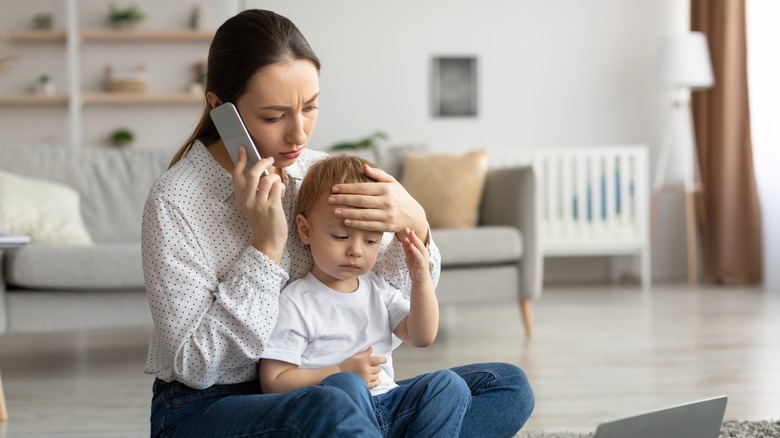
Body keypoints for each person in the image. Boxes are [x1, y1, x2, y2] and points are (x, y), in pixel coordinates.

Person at [142, 8, 534, 438]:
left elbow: (389, 301)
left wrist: (416, 223)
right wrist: (266, 248)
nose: (299, 135)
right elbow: (196, 365)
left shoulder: (322, 174)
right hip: (209, 405)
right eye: (274, 117)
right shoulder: (176, 200)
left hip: (343, 389)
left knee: (504, 385)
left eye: (310, 108)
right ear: (221, 110)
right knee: (330, 404)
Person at [259, 155, 470, 436]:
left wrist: (421, 282)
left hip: (391, 403)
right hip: (338, 411)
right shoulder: (296, 301)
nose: (356, 250)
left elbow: (422, 336)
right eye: (340, 236)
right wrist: (339, 370)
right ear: (305, 230)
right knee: (347, 384)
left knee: (449, 384)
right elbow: (273, 381)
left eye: (370, 240)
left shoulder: (378, 289)